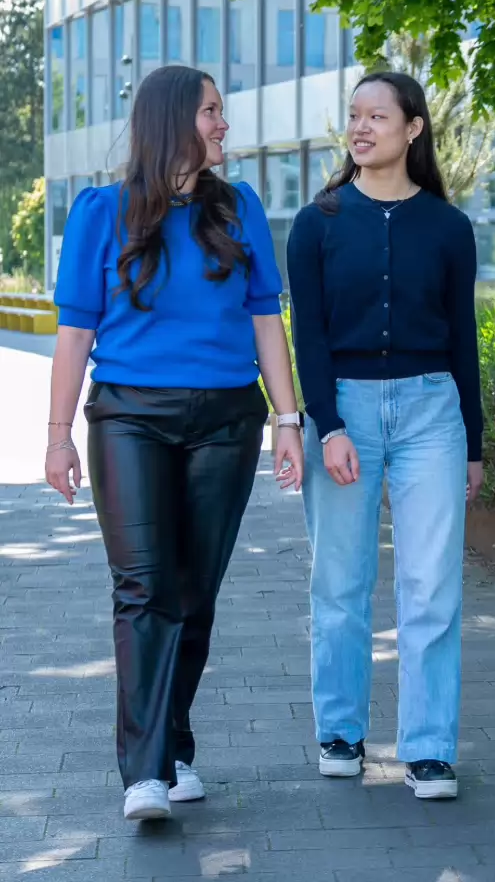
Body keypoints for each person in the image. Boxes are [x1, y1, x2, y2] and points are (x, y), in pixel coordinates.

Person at [45, 65, 304, 822]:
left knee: (194, 593)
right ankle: (145, 770)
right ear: (172, 122)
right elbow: (74, 333)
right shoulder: (102, 211)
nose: (225, 124)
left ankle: (175, 743)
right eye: (212, 112)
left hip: (228, 422)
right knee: (143, 588)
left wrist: (287, 421)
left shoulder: (241, 207)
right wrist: (57, 437)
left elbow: (265, 321)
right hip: (129, 418)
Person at [287, 71, 483, 801]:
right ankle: (340, 733)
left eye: (378, 115)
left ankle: (428, 749)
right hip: (346, 411)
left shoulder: (449, 227)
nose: (361, 127)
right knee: (339, 581)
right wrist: (327, 424)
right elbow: (306, 333)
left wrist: (474, 445)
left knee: (433, 584)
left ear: (414, 128)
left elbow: (462, 337)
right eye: (354, 115)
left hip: (433, 410)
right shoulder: (318, 223)